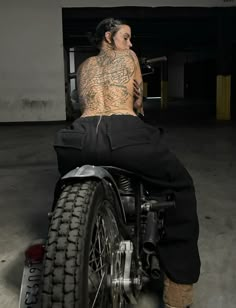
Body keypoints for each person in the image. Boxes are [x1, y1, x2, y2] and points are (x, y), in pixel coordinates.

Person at [54, 17, 200, 308]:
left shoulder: (83, 67)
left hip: (77, 139)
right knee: (180, 187)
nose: (130, 44)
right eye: (126, 37)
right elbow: (136, 104)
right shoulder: (129, 57)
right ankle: (178, 287)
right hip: (124, 133)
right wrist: (137, 101)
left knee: (63, 184)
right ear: (109, 37)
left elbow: (80, 105)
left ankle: (65, 236)